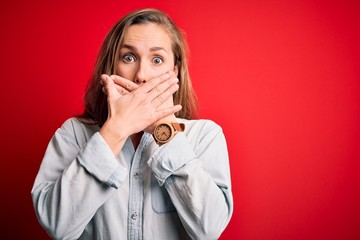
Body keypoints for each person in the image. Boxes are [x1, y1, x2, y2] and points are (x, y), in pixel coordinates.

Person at [31, 8, 233, 240]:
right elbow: (58, 226)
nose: (141, 75)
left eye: (157, 60)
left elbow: (209, 230)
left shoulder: (204, 136)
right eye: (129, 57)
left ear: (174, 71)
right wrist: (116, 129)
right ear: (112, 67)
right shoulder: (75, 134)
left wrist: (163, 131)